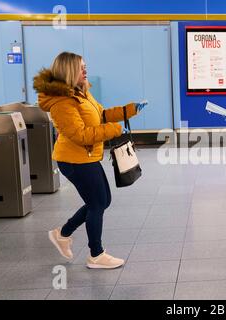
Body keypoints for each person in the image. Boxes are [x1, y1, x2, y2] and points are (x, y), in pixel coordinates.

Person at [33, 52, 147, 269]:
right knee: (97, 203)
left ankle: (62, 234)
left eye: (85, 66)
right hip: (74, 160)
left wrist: (129, 110)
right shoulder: (62, 102)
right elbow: (80, 135)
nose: (86, 71)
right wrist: (114, 130)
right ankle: (96, 254)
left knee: (103, 201)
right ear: (68, 71)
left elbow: (101, 115)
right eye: (81, 68)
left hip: (87, 156)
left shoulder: (81, 93)